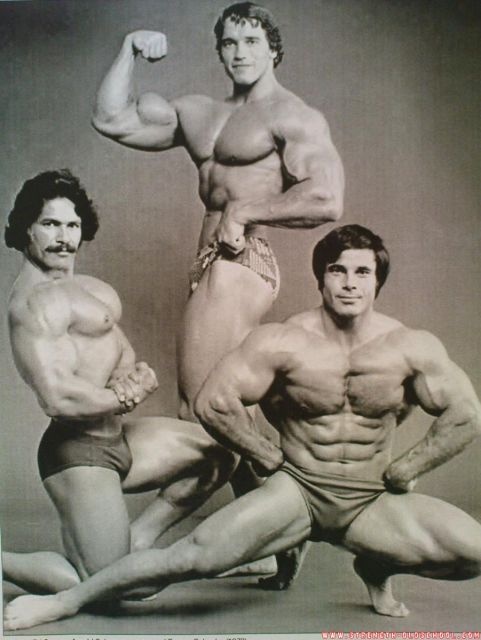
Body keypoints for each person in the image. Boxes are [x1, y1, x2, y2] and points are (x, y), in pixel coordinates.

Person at [5, 224, 481, 630]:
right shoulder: (282, 342)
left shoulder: (411, 347)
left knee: (473, 553)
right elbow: (214, 403)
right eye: (338, 271)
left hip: (369, 499)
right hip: (299, 492)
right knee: (188, 558)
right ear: (320, 278)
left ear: (378, 281)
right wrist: (265, 454)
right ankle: (66, 601)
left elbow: (466, 415)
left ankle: (374, 565)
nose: (350, 284)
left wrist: (405, 469)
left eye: (362, 272)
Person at [92, 0, 344, 584]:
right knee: (230, 409)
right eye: (230, 42)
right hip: (208, 263)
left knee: (204, 411)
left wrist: (248, 210)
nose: (239, 52)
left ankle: (142, 540)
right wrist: (128, 50)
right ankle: (281, 535)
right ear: (219, 51)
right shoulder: (198, 113)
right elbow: (111, 120)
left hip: (241, 262)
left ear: (273, 49)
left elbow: (327, 198)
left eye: (251, 41)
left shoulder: (292, 116)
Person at [2, 169, 237, 596]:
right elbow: (57, 399)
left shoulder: (81, 288)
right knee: (120, 588)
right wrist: (122, 396)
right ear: (26, 230)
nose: (63, 238)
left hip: (119, 437)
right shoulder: (32, 305)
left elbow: (115, 347)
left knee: (220, 454)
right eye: (50, 224)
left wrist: (135, 373)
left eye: (72, 225)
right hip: (78, 452)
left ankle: (136, 543)